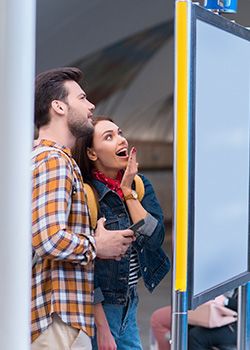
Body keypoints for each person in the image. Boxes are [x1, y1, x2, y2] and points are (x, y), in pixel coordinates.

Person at [32, 68, 134, 350]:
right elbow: (48, 238)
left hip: (64, 317)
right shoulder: (53, 161)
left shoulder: (52, 159)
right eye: (82, 98)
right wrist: (98, 245)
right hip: (56, 322)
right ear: (59, 106)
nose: (91, 106)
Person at [73, 116, 171, 350]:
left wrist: (127, 191)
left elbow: (155, 238)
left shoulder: (138, 185)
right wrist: (103, 328)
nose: (121, 140)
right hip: (101, 309)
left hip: (130, 300)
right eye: (109, 137)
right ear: (92, 154)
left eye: (120, 133)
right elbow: (85, 267)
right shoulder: (87, 195)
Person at [150, 291, 237, 350]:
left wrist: (226, 301)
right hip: (205, 304)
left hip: (237, 317)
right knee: (159, 318)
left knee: (195, 336)